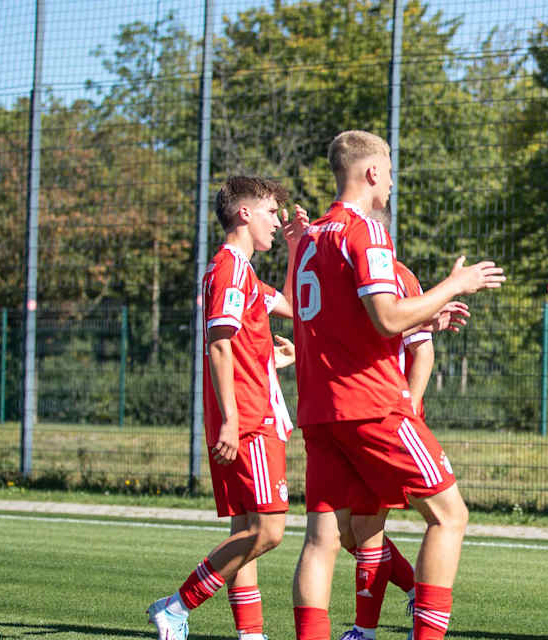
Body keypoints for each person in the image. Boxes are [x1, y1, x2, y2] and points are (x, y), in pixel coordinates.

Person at [291, 130, 502, 640]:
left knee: (321, 540)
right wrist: (454, 284)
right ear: (371, 173)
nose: (390, 183)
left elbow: (351, 323)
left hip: (320, 410)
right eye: (388, 172)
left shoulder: (308, 240)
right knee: (449, 516)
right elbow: (386, 318)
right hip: (372, 403)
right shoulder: (367, 231)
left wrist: (426, 314)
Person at [147, 176, 308, 640]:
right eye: (271, 213)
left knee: (247, 530)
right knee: (270, 531)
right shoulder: (230, 269)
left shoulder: (246, 274)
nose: (277, 222)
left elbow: (296, 308)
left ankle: (250, 634)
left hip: (252, 413)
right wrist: (234, 421)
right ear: (244, 214)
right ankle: (177, 606)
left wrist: (296, 249)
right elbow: (220, 345)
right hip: (251, 418)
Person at [335, 204, 458, 640]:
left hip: (390, 416)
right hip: (352, 416)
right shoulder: (340, 274)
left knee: (367, 527)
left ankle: (363, 630)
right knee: (348, 532)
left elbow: (421, 349)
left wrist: (408, 407)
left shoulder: (397, 275)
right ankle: (413, 590)